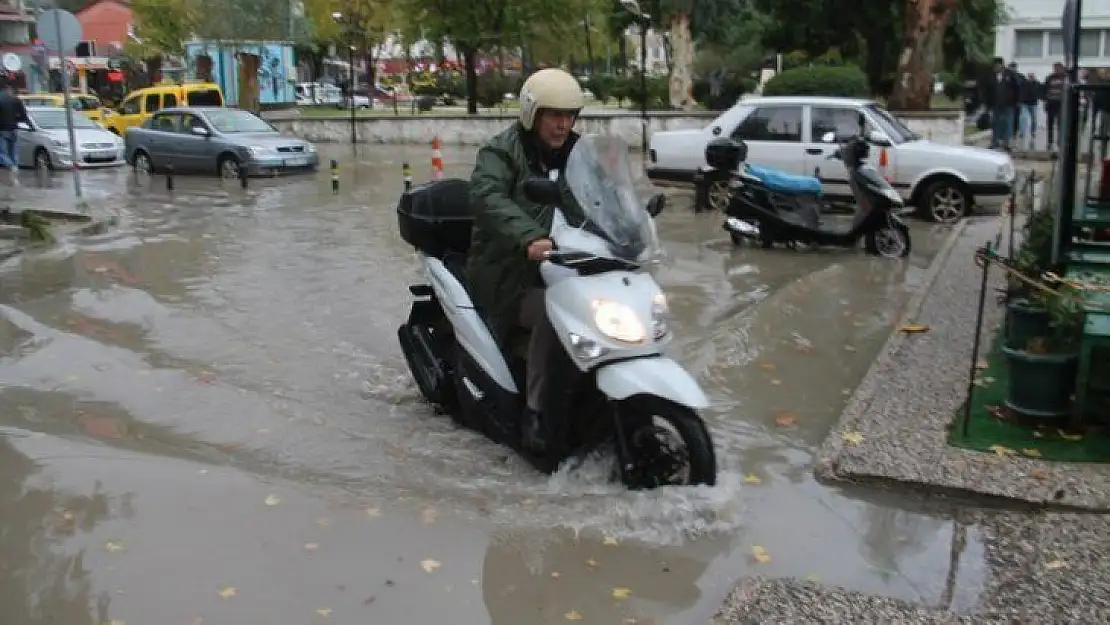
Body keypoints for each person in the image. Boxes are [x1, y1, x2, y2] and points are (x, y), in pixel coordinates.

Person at [466, 68, 585, 455]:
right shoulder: (500, 153)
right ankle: (536, 412)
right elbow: (488, 196)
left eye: (570, 115)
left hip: (566, 268)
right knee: (556, 312)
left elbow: (601, 196)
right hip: (509, 271)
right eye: (554, 115)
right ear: (533, 113)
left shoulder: (579, 154)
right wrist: (529, 237)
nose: (563, 124)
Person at [981, 57, 1021, 151]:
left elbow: (1017, 88)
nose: (996, 67)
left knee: (1008, 123)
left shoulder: (1010, 75)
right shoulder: (990, 76)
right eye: (994, 66)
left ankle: (1007, 143)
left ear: (1001, 65)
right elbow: (986, 90)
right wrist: (986, 103)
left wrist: (1018, 101)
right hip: (995, 104)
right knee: (995, 123)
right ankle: (995, 142)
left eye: (997, 65)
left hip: (1008, 104)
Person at [0, 79, 29, 185]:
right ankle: (14, 176)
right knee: (14, 152)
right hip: (14, 128)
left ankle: (11, 167)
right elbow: (24, 115)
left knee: (2, 153)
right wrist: (27, 124)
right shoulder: (15, 99)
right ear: (8, 89)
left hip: (2, 129)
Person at [1043, 62, 1066, 151]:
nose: (1056, 70)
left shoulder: (1065, 78)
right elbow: (1044, 89)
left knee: (1060, 124)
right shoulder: (1050, 78)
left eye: (1058, 68)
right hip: (1051, 104)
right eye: (1055, 68)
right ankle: (1050, 142)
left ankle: (1060, 141)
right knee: (1050, 124)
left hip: (1061, 104)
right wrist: (1046, 98)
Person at [1018, 71, 1040, 150]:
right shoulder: (1024, 83)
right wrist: (1020, 100)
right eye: (1029, 76)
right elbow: (1021, 92)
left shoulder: (1037, 84)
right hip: (1025, 103)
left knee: (1034, 119)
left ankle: (1033, 132)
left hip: (1033, 103)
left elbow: (1039, 92)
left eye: (1032, 76)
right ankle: (1022, 132)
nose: (1030, 78)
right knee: (1023, 118)